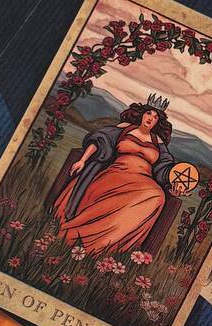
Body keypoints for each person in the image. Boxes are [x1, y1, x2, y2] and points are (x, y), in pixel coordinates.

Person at [52, 102, 177, 254]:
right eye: (149, 113)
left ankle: (108, 243)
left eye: (156, 117)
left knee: (157, 196)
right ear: (142, 114)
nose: (151, 118)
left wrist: (175, 185)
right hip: (118, 173)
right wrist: (83, 160)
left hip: (144, 180)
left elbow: (166, 169)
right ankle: (88, 237)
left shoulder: (158, 142)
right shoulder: (124, 129)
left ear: (158, 122)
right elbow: (100, 141)